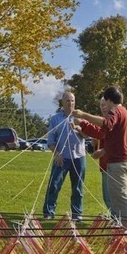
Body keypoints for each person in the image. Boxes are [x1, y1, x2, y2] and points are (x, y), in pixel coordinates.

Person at [73, 86, 127, 224]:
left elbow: (106, 124)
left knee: (120, 200)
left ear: (109, 100)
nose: (105, 106)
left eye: (105, 102)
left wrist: (83, 115)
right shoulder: (125, 113)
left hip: (118, 163)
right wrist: (104, 150)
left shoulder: (116, 111)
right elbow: (117, 139)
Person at [43, 92, 86, 221]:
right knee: (54, 185)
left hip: (79, 157)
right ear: (62, 102)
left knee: (78, 187)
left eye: (72, 100)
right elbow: (50, 141)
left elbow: (87, 135)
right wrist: (57, 154)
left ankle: (77, 214)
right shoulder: (55, 119)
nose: (70, 103)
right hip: (62, 157)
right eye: (67, 100)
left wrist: (78, 128)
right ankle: (49, 212)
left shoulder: (80, 117)